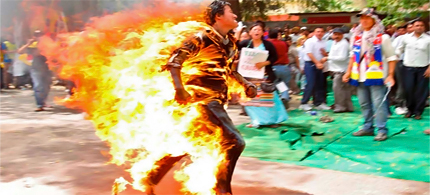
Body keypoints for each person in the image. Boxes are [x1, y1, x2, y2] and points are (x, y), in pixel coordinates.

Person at [144, 1, 257, 194]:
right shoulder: (201, 38)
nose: (236, 16)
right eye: (231, 12)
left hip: (217, 100)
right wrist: (179, 89)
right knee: (234, 141)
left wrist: (245, 83)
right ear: (218, 16)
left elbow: (227, 71)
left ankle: (151, 177)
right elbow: (174, 61)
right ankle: (222, 189)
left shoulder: (230, 44)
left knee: (187, 144)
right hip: (201, 100)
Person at [343, 8, 397, 141]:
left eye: (367, 18)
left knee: (379, 104)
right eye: (362, 18)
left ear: (374, 20)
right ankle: (367, 127)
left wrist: (390, 75)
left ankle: (382, 129)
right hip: (360, 76)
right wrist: (348, 72)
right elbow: (352, 57)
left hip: (377, 77)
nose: (364, 20)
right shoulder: (356, 37)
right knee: (364, 103)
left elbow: (392, 58)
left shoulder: (383, 38)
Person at [239, 22, 288, 128]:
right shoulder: (245, 43)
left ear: (263, 32)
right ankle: (256, 120)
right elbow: (234, 50)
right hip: (249, 78)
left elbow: (274, 57)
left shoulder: (268, 45)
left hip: (264, 76)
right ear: (250, 32)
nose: (257, 32)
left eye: (259, 30)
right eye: (254, 30)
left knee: (267, 99)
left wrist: (264, 63)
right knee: (251, 100)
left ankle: (272, 121)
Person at [395, 19, 430, 120]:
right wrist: (396, 56)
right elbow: (399, 49)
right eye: (417, 25)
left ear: (424, 27)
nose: (419, 27)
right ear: (413, 27)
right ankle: (410, 109)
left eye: (421, 26)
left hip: (423, 68)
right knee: (408, 89)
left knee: (421, 91)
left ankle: (418, 112)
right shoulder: (406, 38)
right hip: (408, 67)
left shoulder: (428, 39)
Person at [17, 30, 53, 111]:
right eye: (36, 35)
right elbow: (20, 51)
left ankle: (43, 102)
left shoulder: (48, 44)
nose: (39, 36)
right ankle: (39, 105)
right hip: (36, 69)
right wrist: (28, 44)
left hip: (47, 69)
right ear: (34, 36)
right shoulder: (32, 45)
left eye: (40, 34)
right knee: (38, 86)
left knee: (46, 86)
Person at [321, 28, 353, 113]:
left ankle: (340, 106)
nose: (336, 36)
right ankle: (348, 106)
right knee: (344, 89)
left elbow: (342, 58)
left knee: (337, 89)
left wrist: (327, 58)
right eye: (335, 34)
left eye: (338, 34)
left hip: (341, 70)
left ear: (342, 35)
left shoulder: (343, 44)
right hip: (336, 69)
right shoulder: (335, 43)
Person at [299, 27, 330, 111]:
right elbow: (309, 53)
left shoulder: (324, 42)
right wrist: (317, 63)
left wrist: (325, 55)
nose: (319, 33)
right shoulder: (310, 41)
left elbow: (324, 54)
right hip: (310, 64)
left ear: (324, 33)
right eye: (318, 31)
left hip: (320, 64)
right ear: (314, 32)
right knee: (310, 83)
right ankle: (304, 102)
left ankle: (318, 102)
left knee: (320, 84)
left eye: (321, 31)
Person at [267, 29, 291, 108]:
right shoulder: (283, 43)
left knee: (274, 85)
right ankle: (284, 97)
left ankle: (276, 102)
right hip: (284, 67)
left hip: (273, 67)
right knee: (283, 84)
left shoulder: (267, 43)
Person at [391, 25, 409, 115]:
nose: (402, 32)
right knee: (401, 84)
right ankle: (399, 104)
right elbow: (393, 51)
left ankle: (409, 104)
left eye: (404, 30)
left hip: (413, 64)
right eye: (400, 30)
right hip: (400, 62)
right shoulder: (399, 39)